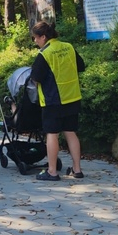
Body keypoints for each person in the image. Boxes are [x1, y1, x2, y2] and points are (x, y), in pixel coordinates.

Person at [30, 21, 86, 181]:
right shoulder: (68, 47)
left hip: (53, 100)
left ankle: (52, 171)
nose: (35, 41)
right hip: (73, 97)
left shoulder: (44, 54)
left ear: (43, 37)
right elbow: (80, 66)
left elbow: (36, 78)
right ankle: (77, 169)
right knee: (71, 132)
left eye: (35, 38)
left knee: (52, 134)